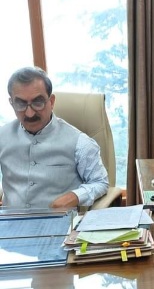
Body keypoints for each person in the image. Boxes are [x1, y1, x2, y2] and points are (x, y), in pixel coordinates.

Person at [0, 66, 109, 209]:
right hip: (11, 225)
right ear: (11, 103)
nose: (29, 113)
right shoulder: (2, 136)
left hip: (59, 225)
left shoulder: (80, 142)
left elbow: (100, 182)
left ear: (51, 101)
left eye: (38, 102)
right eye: (20, 103)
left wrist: (76, 196)